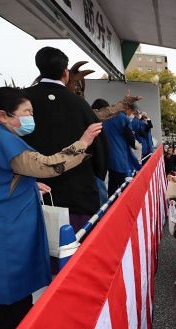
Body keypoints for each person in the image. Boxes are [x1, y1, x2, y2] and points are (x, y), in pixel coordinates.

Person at [0, 87, 102, 329]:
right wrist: (83, 142)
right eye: (26, 112)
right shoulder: (2, 140)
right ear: (3, 115)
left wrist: (27, 183)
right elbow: (47, 164)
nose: (32, 117)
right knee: (10, 278)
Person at [23, 46, 109, 230]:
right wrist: (98, 173)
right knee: (74, 249)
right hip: (77, 193)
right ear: (65, 72)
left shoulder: (21, 101)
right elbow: (99, 147)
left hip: (31, 192)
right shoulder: (80, 105)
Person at [102, 103, 141, 195]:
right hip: (119, 156)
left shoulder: (109, 117)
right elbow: (131, 140)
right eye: (132, 112)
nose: (131, 114)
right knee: (123, 186)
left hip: (109, 154)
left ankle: (111, 205)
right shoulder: (123, 118)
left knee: (112, 183)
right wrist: (137, 145)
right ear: (128, 109)